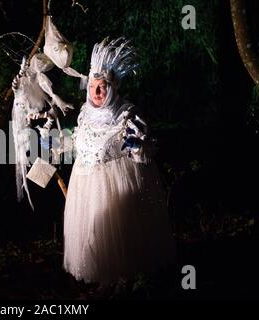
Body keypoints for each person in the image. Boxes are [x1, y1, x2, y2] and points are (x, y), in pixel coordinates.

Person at [62, 37, 175, 292]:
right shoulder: (84, 113)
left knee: (121, 232)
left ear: (112, 87)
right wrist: (54, 144)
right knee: (95, 230)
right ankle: (106, 278)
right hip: (86, 184)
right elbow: (79, 141)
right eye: (92, 86)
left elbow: (145, 151)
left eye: (102, 87)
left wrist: (138, 145)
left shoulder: (126, 114)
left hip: (117, 183)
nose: (96, 92)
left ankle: (126, 278)